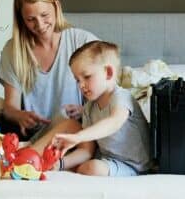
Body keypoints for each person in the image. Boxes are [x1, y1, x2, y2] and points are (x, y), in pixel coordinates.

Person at [0, 0, 97, 171]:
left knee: (71, 126)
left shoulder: (81, 41)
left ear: (56, 7)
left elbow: (106, 93)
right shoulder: (13, 50)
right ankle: (28, 160)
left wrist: (85, 110)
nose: (40, 24)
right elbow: (10, 107)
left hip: (77, 136)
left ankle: (22, 161)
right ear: (21, 19)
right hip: (38, 137)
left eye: (44, 15)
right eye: (30, 19)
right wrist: (20, 115)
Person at [53, 41, 152, 176]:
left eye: (87, 77)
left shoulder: (121, 97)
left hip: (134, 166)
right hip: (107, 161)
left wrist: (78, 136)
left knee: (93, 168)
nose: (81, 85)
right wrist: (60, 164)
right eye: (77, 80)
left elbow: (114, 123)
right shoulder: (89, 108)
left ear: (108, 73)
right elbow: (86, 151)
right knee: (87, 165)